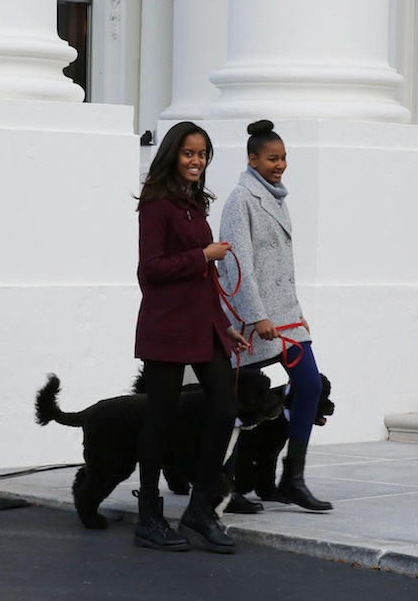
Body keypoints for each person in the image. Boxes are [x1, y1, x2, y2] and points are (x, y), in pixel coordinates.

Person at [134, 121, 249, 553]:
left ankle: (200, 507)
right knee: (159, 419)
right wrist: (202, 255)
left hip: (204, 324)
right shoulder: (156, 204)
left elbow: (204, 282)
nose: (196, 161)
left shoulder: (194, 203)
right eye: (189, 153)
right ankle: (148, 516)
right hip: (167, 326)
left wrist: (225, 327)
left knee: (224, 408)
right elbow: (151, 270)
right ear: (171, 155)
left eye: (202, 154)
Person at [217, 119, 332, 512]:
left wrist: (297, 314)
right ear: (252, 159)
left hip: (286, 319)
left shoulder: (277, 197)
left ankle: (292, 479)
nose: (279, 165)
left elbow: (282, 268)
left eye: (283, 158)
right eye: (271, 158)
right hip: (254, 322)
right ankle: (226, 487)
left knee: (310, 386)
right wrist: (256, 314)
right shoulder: (240, 199)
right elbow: (237, 264)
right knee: (236, 405)